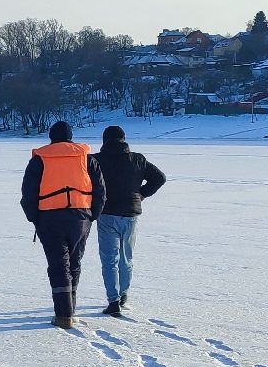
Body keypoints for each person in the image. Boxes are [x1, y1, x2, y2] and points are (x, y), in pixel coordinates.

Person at [20, 121, 105, 329]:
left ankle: (63, 314)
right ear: (71, 137)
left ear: (51, 137)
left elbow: (28, 193)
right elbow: (100, 191)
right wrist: (92, 215)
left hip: (49, 218)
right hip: (81, 216)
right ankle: (70, 311)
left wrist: (34, 218)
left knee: (59, 265)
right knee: (74, 262)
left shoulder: (39, 160)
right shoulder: (87, 159)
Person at [91, 125, 166, 317]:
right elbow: (160, 178)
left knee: (109, 259)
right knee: (126, 258)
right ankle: (123, 295)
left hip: (106, 213)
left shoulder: (96, 160)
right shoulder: (137, 159)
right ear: (124, 139)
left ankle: (113, 300)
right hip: (131, 214)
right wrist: (141, 194)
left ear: (104, 140)